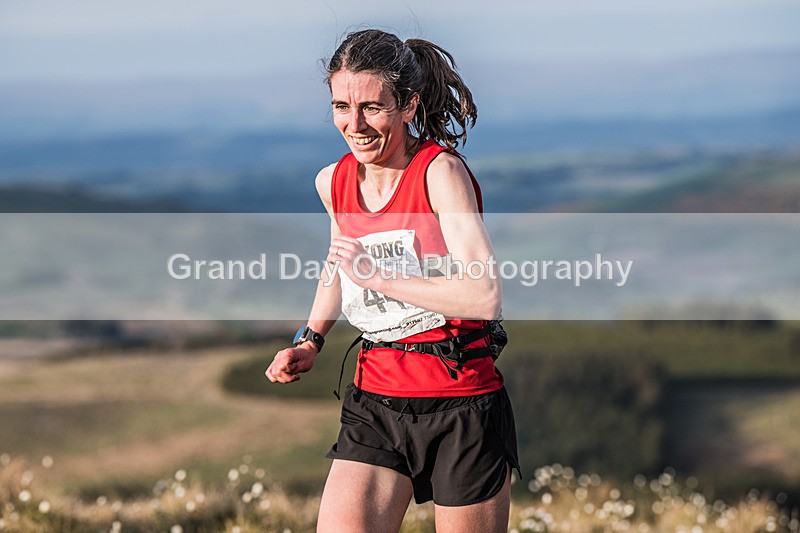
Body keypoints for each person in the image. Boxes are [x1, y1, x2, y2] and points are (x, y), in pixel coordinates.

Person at [265, 29, 520, 533]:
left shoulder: (439, 173)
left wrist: (379, 276)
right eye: (341, 106)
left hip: (460, 401)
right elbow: (339, 264)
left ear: (408, 106)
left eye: (371, 108)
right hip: (375, 398)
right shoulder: (333, 181)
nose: (353, 124)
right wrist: (311, 339)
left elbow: (483, 293)